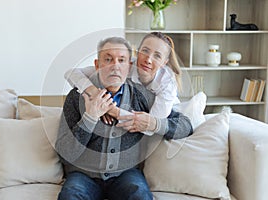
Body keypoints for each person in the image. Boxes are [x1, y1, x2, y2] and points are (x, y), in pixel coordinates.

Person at [56, 37, 193, 200]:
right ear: (97, 65)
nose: (115, 66)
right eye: (108, 59)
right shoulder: (76, 97)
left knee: (140, 196)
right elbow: (64, 153)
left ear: (129, 66)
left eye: (121, 60)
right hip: (83, 176)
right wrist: (90, 117)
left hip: (126, 176)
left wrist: (154, 123)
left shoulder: (144, 97)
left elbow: (185, 126)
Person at [65, 32, 181, 134]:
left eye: (157, 56)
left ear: (164, 63)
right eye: (145, 51)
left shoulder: (167, 84)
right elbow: (71, 73)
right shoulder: (126, 65)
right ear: (137, 52)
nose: (148, 60)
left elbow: (149, 127)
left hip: (168, 113)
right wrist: (95, 94)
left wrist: (111, 110)